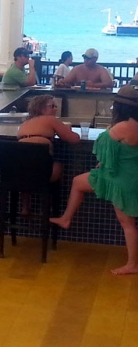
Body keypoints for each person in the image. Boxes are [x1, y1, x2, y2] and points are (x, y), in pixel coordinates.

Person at [51, 85, 138, 275]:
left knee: (127, 223)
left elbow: (103, 144)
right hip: (128, 175)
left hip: (119, 180)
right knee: (79, 182)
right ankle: (66, 218)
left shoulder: (123, 126)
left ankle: (133, 264)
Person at [17, 95, 80, 182]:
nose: (56, 109)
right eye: (52, 106)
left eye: (56, 106)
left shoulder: (25, 124)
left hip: (19, 173)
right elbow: (74, 139)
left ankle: (24, 195)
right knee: (61, 148)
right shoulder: (50, 119)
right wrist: (67, 129)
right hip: (44, 174)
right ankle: (58, 189)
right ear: (41, 108)